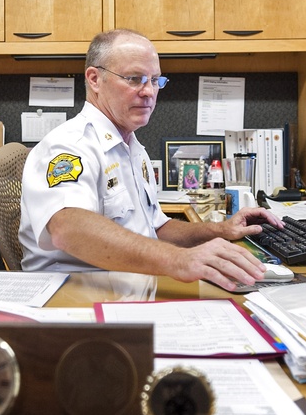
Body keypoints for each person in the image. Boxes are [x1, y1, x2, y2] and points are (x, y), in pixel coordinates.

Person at [18, 28, 283, 291]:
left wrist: (219, 230)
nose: (149, 91)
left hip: (128, 289)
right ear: (95, 79)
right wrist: (179, 260)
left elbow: (155, 228)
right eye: (134, 79)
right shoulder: (69, 146)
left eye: (155, 80)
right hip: (76, 302)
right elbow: (69, 229)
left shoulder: (133, 148)